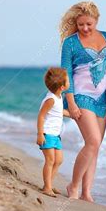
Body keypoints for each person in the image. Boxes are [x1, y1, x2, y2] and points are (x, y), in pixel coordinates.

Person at [60, 1, 106, 202]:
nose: (84, 28)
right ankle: (73, 186)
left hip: (103, 98)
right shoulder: (71, 42)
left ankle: (86, 192)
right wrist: (71, 102)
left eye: (89, 24)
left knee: (95, 146)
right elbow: (66, 74)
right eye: (81, 24)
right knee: (93, 141)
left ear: (96, 20)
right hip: (81, 97)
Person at [36, 67, 70, 198]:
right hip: (47, 134)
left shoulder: (58, 97)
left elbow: (58, 112)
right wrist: (40, 134)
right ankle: (47, 188)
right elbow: (41, 116)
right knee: (50, 160)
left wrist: (72, 114)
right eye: (68, 80)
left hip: (56, 135)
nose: (69, 82)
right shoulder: (50, 99)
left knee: (59, 160)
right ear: (62, 86)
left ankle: (48, 184)